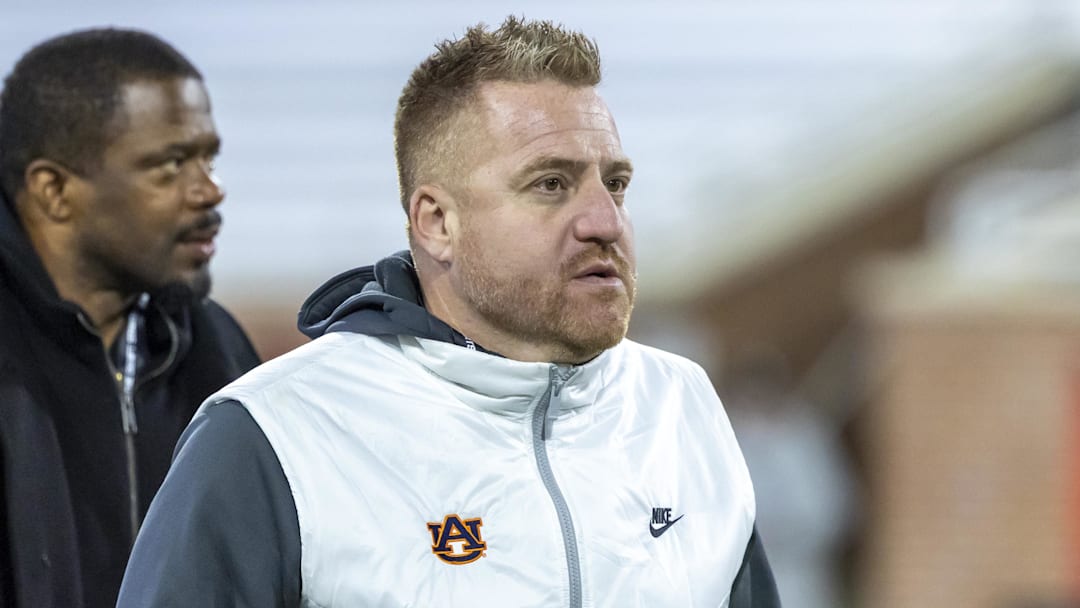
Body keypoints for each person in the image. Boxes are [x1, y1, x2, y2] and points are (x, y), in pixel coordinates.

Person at [119, 16, 780, 607]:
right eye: (551, 184)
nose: (604, 221)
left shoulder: (681, 405)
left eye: (616, 184)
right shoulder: (277, 434)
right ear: (436, 222)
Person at [0, 28, 260, 607]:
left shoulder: (218, 348)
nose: (210, 191)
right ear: (55, 191)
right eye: (170, 164)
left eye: (208, 157)